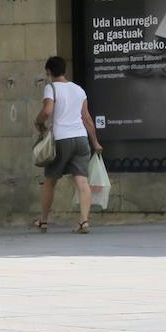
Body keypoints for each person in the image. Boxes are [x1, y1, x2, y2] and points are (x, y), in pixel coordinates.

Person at [32, 55, 103, 234]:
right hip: (80, 138)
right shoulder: (78, 90)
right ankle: (84, 221)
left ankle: (44, 221)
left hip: (61, 140)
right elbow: (86, 118)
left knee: (50, 181)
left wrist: (38, 122)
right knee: (82, 181)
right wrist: (95, 142)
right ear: (65, 70)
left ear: (49, 72)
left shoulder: (51, 88)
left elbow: (47, 111)